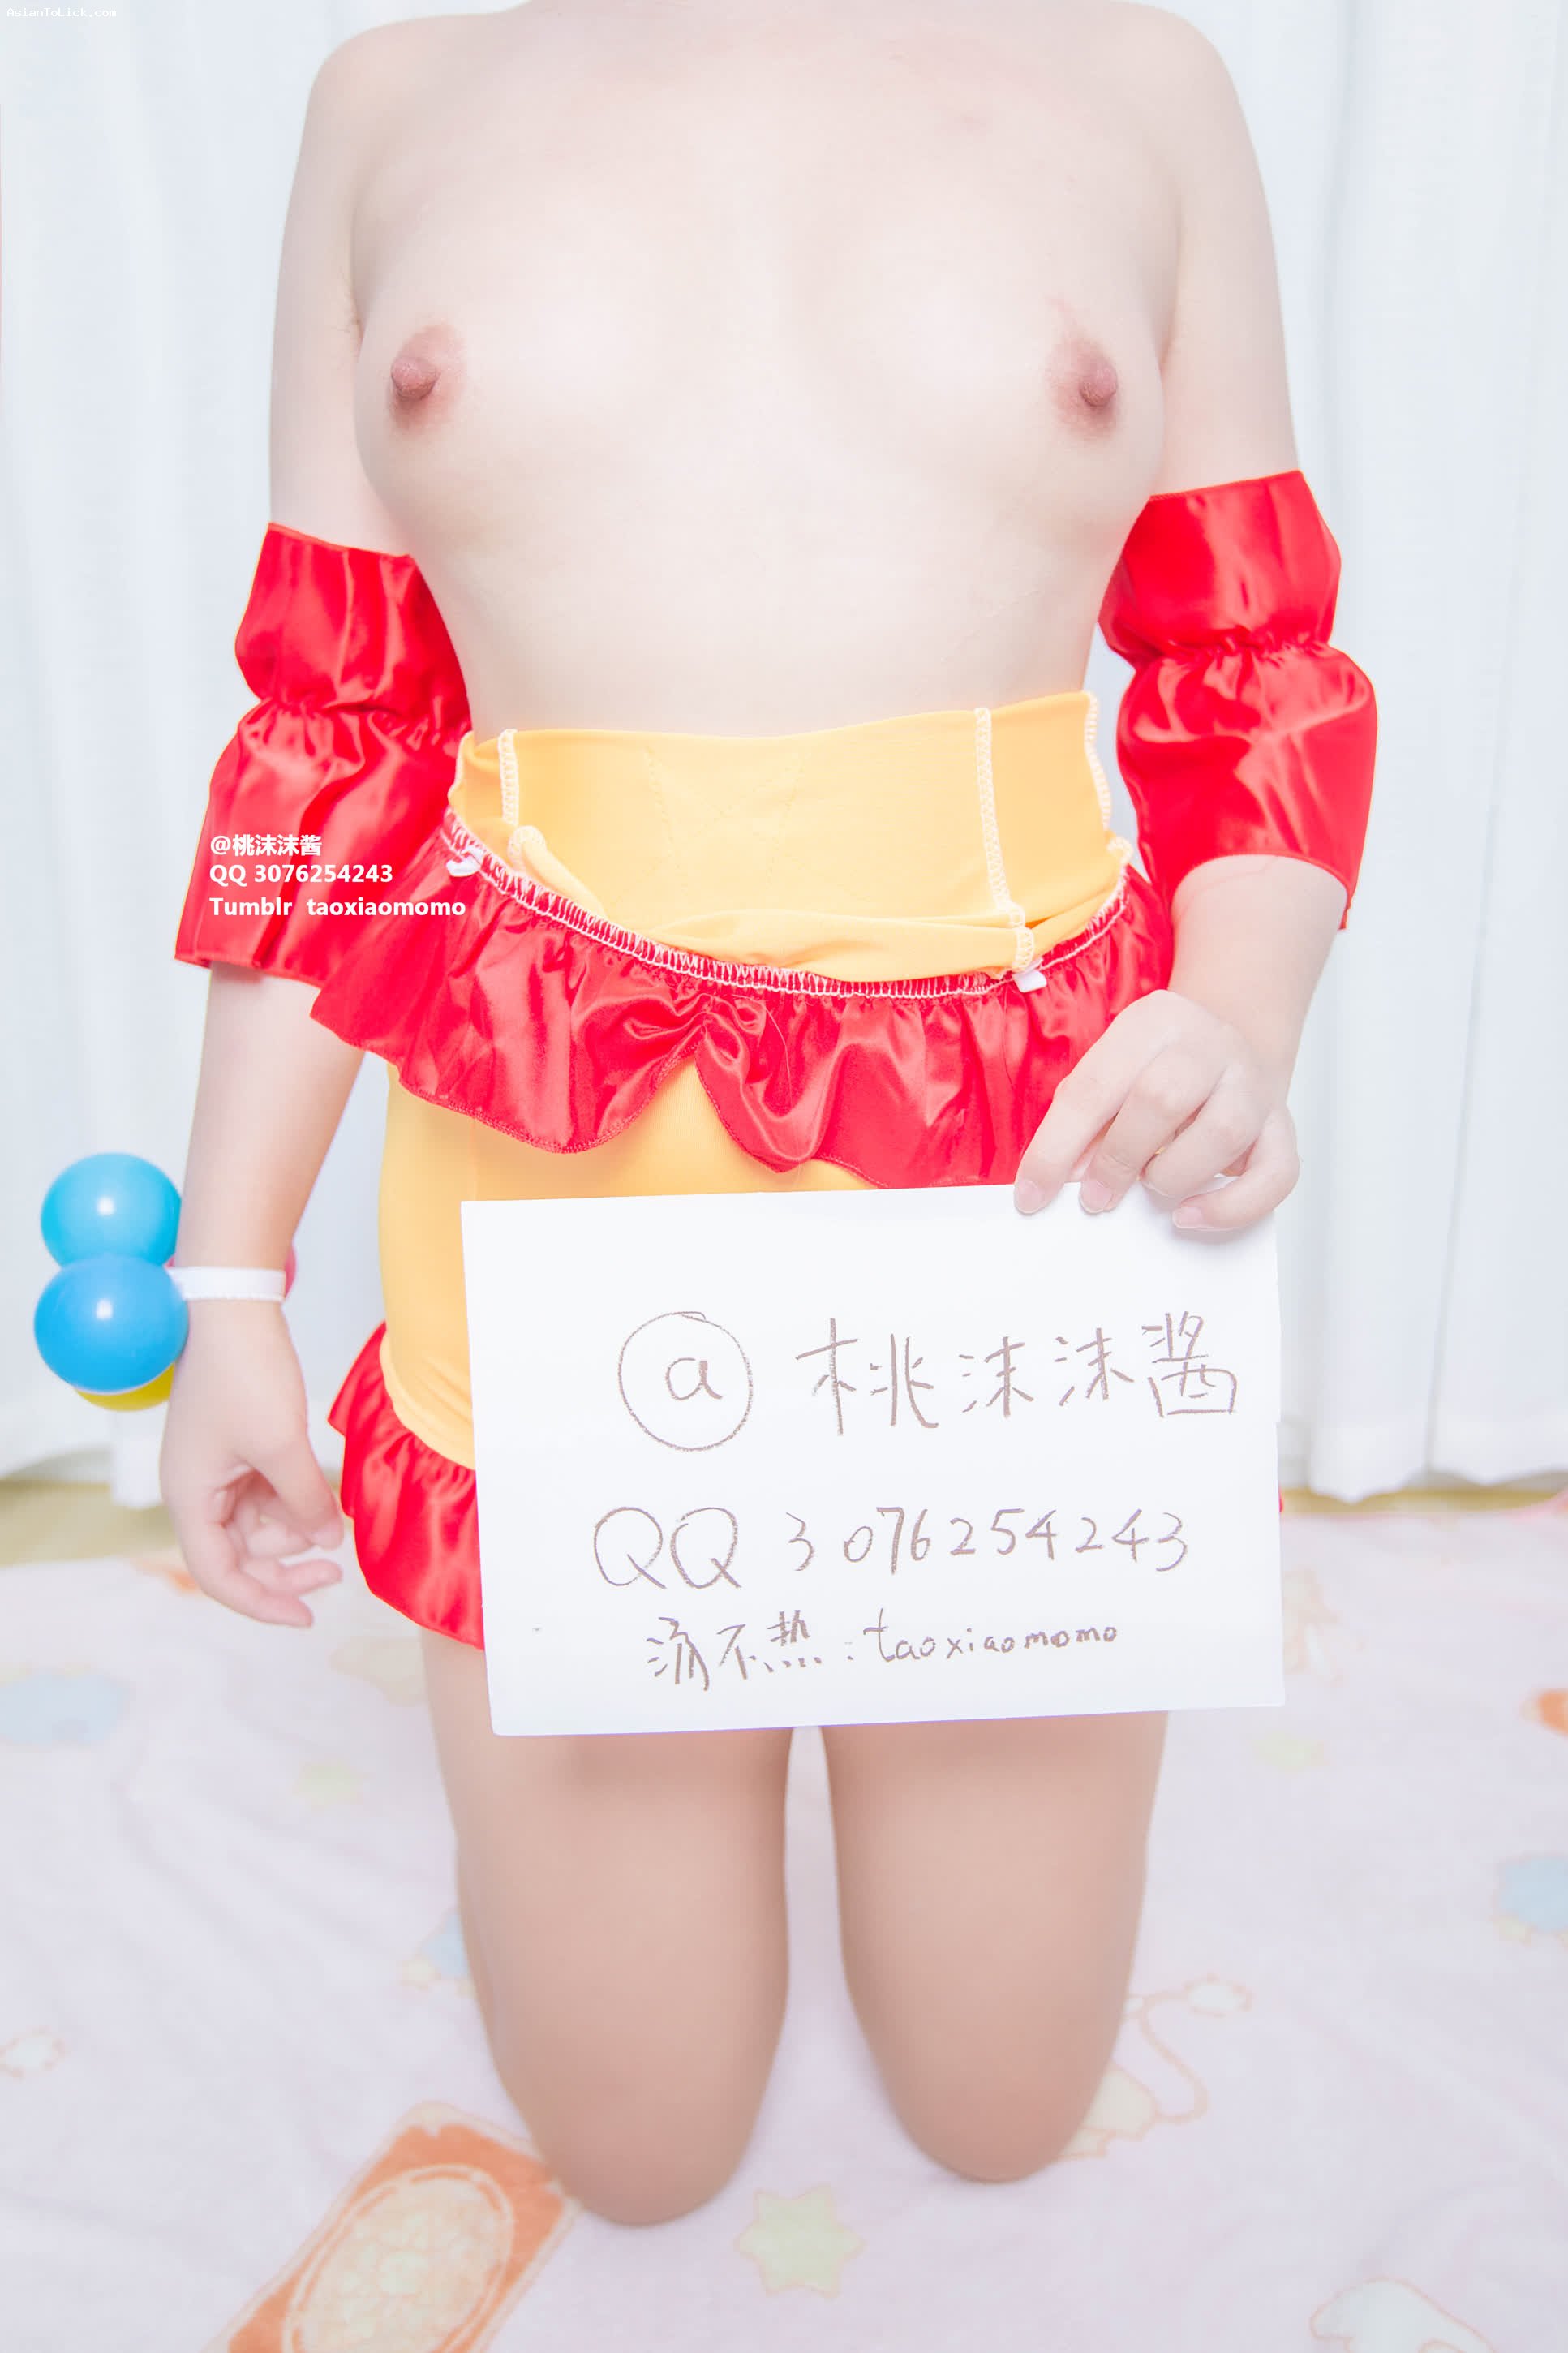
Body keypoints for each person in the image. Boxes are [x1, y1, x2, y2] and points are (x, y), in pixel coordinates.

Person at [160, 0, 1374, 2228]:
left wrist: (1241, 1014)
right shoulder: (390, 99)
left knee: (1003, 2098)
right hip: (546, 1178)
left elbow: (1250, 666)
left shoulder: (1142, 80)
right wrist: (230, 1273)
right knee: (639, 2148)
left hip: (1027, 1182)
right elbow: (332, 734)